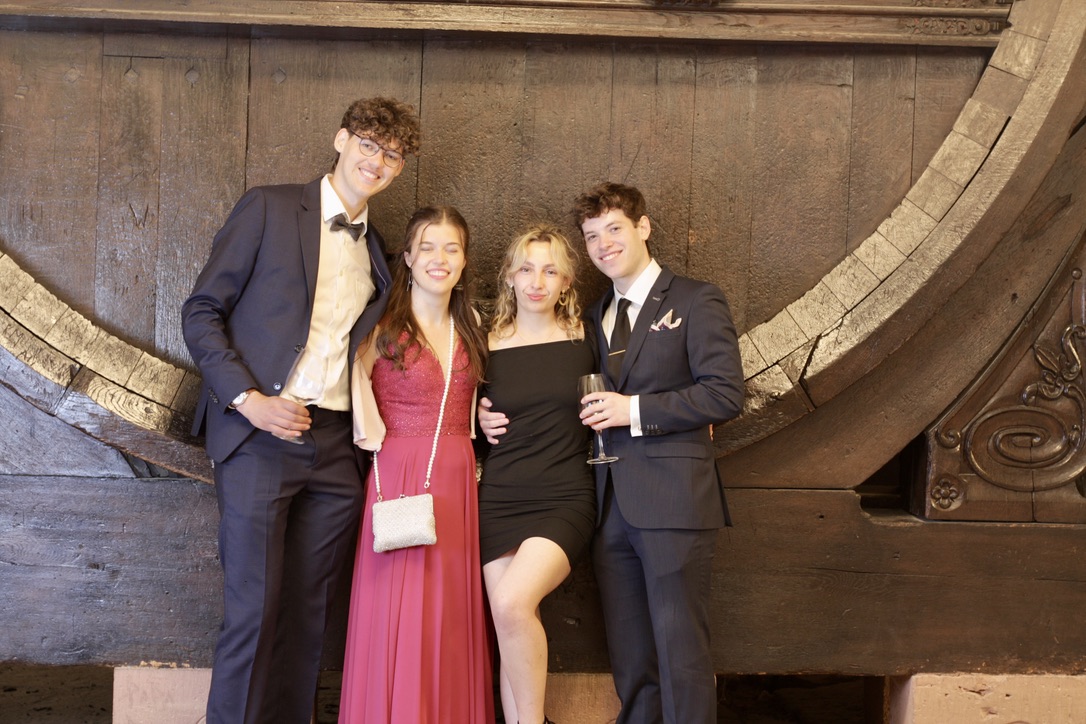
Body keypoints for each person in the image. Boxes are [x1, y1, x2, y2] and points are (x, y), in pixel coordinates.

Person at [181, 97, 420, 724]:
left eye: (392, 155)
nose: (377, 162)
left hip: (337, 449)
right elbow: (200, 312)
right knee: (253, 612)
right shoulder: (269, 206)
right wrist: (248, 401)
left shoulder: (380, 252)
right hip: (261, 438)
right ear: (341, 140)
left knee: (312, 617)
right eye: (368, 145)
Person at [480, 182, 745, 724]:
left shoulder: (695, 299)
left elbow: (725, 394)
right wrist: (481, 417)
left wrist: (634, 411)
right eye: (592, 235)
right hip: (608, 506)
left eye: (615, 229)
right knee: (631, 657)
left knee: (681, 651)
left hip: (672, 500)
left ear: (643, 227)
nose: (604, 244)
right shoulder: (594, 317)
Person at [338, 206, 494, 723]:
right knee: (394, 608)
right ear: (406, 257)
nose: (439, 258)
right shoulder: (380, 325)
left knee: (448, 609)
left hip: (456, 474)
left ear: (464, 260)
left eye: (451, 248)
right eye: (427, 247)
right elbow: (348, 382)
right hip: (398, 471)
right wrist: (371, 437)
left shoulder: (472, 325)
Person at [477, 225, 597, 724]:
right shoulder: (483, 343)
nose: (536, 281)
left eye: (550, 271)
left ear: (566, 282)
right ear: (509, 276)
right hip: (499, 498)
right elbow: (448, 411)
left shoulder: (588, 337)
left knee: (510, 604)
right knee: (509, 621)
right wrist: (476, 419)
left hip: (565, 497)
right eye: (526, 269)